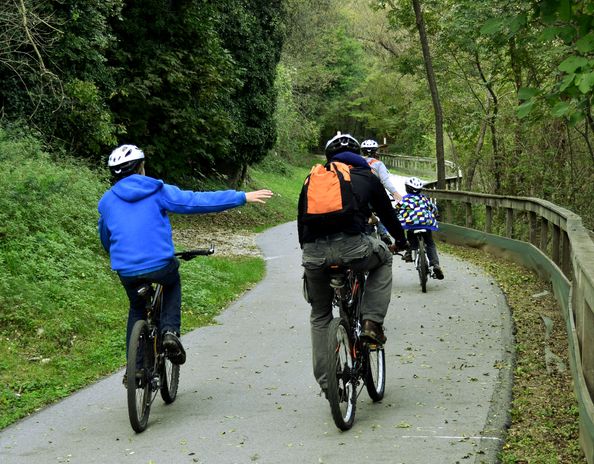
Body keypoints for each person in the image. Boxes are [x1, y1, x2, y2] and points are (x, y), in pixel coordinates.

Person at [98, 144, 273, 374]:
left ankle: (137, 369)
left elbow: (106, 237)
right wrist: (240, 197)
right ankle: (170, 332)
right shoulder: (156, 190)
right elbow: (194, 201)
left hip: (126, 270)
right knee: (172, 279)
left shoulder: (107, 201)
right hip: (159, 265)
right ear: (141, 168)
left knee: (137, 309)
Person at [299, 132, 408, 395]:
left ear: (328, 158)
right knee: (383, 260)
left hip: (315, 255)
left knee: (320, 314)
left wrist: (312, 255)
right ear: (359, 155)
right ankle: (371, 322)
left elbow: (302, 225)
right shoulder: (366, 176)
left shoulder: (311, 180)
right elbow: (387, 215)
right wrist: (401, 243)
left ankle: (328, 384)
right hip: (354, 248)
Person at [396, 177, 444, 280]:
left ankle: (409, 252)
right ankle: (435, 264)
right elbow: (433, 208)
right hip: (425, 224)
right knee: (430, 244)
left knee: (410, 234)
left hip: (412, 224)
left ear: (407, 189)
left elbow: (397, 208)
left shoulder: (405, 199)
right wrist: (436, 214)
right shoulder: (424, 199)